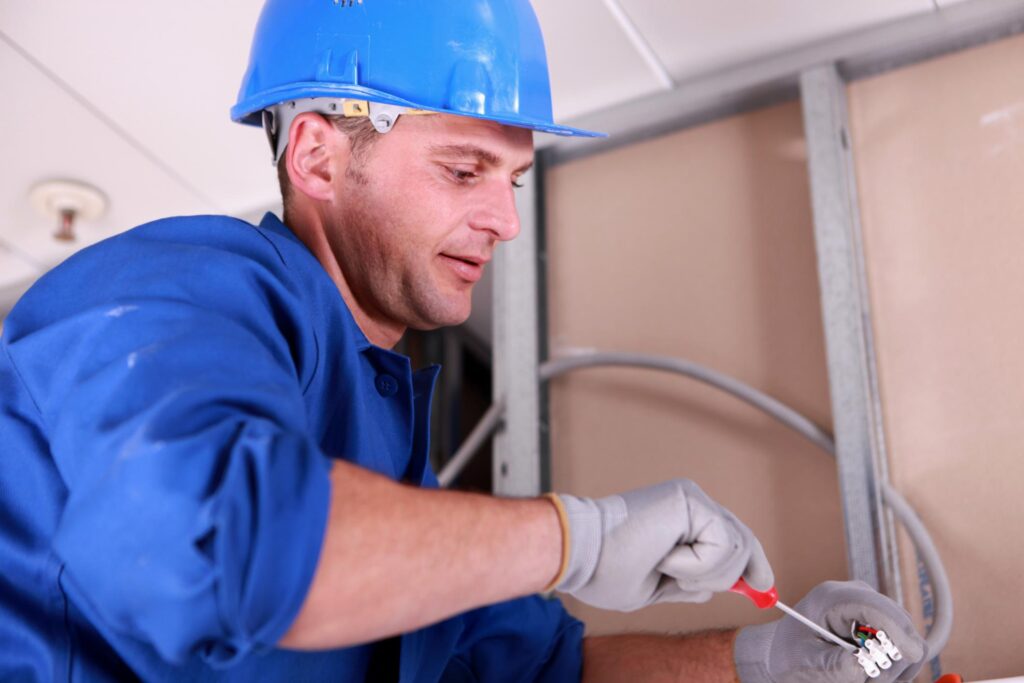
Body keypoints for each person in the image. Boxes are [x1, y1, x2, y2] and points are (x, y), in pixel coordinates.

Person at [0, 1, 927, 681]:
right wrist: (577, 536)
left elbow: (540, 673)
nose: (502, 221)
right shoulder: (178, 287)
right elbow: (220, 548)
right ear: (317, 155)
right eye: (463, 168)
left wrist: (766, 660)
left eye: (514, 179)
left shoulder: (390, 453)